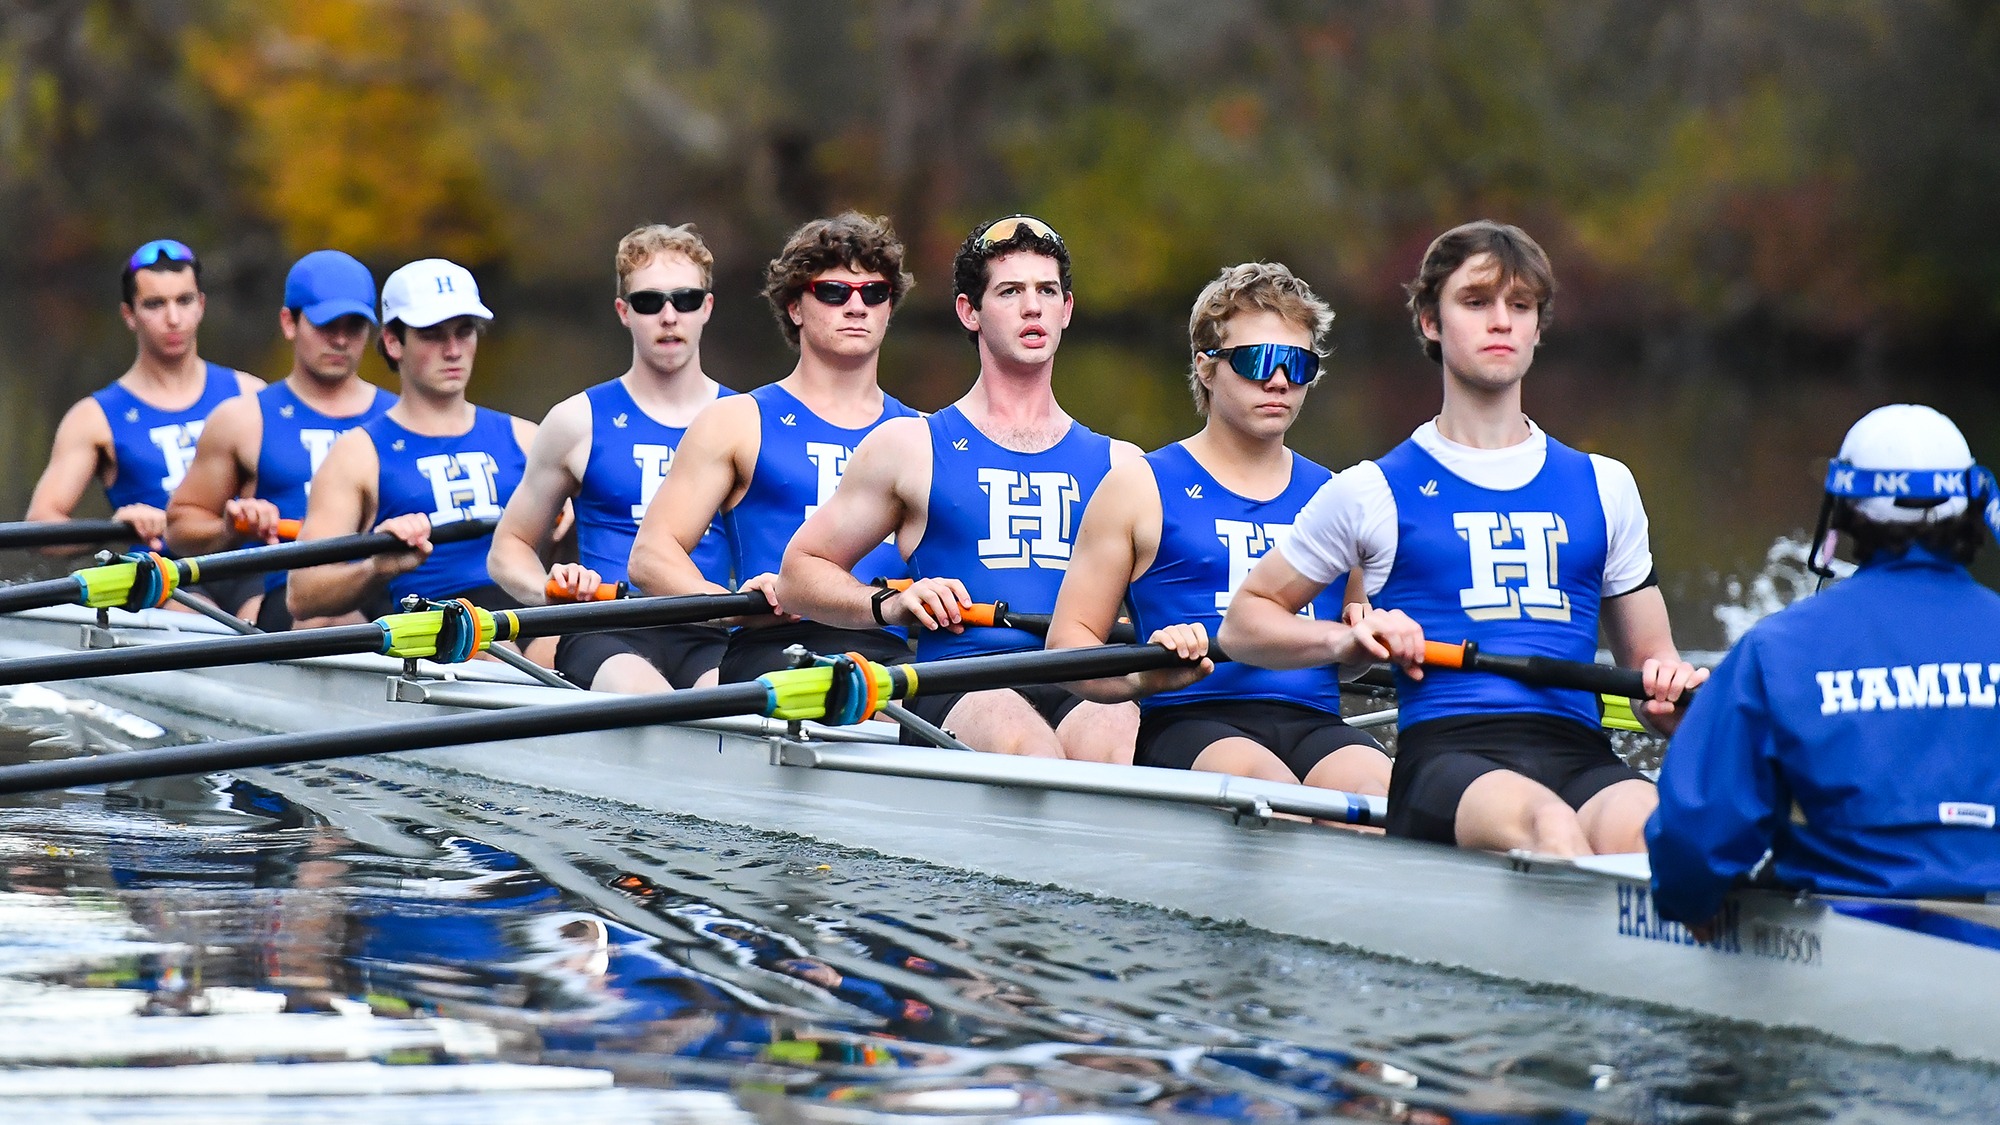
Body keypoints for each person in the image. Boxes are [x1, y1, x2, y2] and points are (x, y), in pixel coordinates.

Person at [1220, 220, 1704, 854]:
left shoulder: (1607, 486)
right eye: (1476, 303)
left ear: (1537, 327)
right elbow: (1244, 623)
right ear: (1430, 321)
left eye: (1520, 306)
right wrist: (1348, 638)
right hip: (1447, 758)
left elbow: (1649, 671)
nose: (1500, 321)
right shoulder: (1373, 491)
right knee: (1549, 827)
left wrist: (1667, 707)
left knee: (1658, 829)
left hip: (1579, 752)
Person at [780, 215, 1139, 761]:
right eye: (1010, 291)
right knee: (1030, 747)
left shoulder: (1123, 465)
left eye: (1047, 291)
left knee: (1116, 738)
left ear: (1067, 310)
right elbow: (799, 573)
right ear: (969, 312)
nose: (1032, 307)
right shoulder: (910, 446)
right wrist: (889, 605)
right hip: (961, 680)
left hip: (1083, 678)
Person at [1047, 262, 1392, 795]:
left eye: (1297, 364)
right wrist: (1143, 678)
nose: (1278, 380)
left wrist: (1359, 645)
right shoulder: (1138, 487)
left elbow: (1343, 668)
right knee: (1276, 794)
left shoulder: (1338, 498)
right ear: (1206, 367)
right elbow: (1067, 647)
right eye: (1258, 360)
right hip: (1190, 721)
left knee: (1389, 797)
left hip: (1313, 723)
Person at [1647, 404, 2000, 924]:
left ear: (1845, 511)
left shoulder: (1778, 649)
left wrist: (1693, 905)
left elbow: (1693, 848)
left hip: (1850, 937)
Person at [627, 212, 918, 681]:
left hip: (887, 653)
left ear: (888, 306)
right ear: (795, 308)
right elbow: (651, 554)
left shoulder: (921, 434)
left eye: (874, 293)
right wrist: (729, 608)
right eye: (833, 292)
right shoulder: (737, 421)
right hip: (775, 649)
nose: (856, 307)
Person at [488, 224, 734, 692]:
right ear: (624, 312)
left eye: (684, 300)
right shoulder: (576, 421)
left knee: (722, 702)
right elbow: (508, 548)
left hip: (712, 631)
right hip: (607, 627)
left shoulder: (745, 421)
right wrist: (551, 592)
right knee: (648, 698)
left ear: (706, 307)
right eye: (648, 302)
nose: (668, 316)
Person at [287, 259, 536, 622]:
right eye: (433, 335)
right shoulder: (357, 455)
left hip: (525, 613)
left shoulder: (529, 438)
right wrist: (377, 567)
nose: (453, 351)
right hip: (430, 624)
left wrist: (567, 529)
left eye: (464, 332)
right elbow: (302, 596)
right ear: (393, 342)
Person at [24, 238, 263, 607]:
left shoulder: (250, 394)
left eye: (184, 301)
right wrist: (114, 528)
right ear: (129, 315)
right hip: (160, 581)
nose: (173, 318)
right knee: (197, 613)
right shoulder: (93, 418)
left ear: (201, 305)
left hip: (244, 568)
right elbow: (40, 528)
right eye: (155, 304)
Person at [165, 250, 395, 630]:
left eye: (353, 326)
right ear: (289, 323)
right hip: (290, 601)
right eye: (326, 324)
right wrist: (230, 527)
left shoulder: (398, 419)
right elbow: (180, 529)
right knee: (332, 617)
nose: (340, 340)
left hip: (382, 589)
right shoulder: (242, 420)